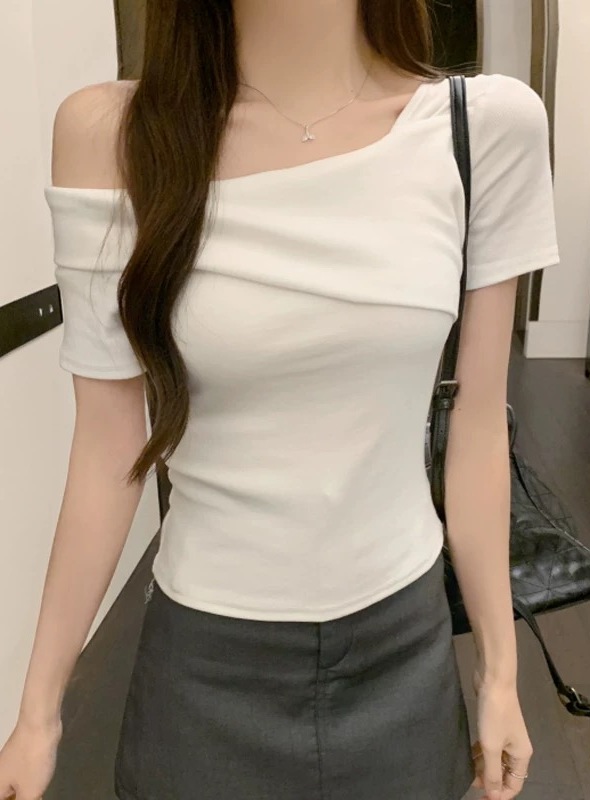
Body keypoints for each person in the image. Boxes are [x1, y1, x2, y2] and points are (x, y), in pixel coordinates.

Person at [0, 1, 560, 799]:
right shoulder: (114, 136)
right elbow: (107, 446)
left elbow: (476, 425)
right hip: (203, 667)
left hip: (402, 647)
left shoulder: (485, 128)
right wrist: (38, 714)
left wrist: (500, 674)